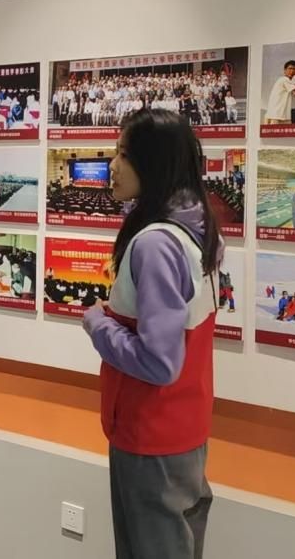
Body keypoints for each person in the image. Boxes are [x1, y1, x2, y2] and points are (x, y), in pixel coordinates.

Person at [82, 109, 221, 559]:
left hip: (151, 436)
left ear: (153, 161)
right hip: (183, 428)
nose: (113, 165)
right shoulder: (196, 227)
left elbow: (158, 362)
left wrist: (98, 323)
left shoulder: (156, 243)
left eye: (124, 154)